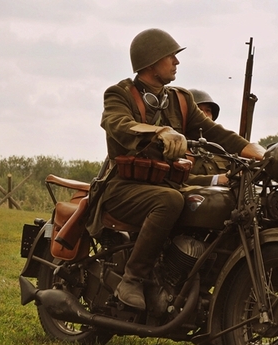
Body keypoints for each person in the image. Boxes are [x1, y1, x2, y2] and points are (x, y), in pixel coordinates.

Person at [88, 28, 265, 310]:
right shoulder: (119, 94)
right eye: (170, 56)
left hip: (167, 184)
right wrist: (159, 131)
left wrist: (255, 151)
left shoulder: (180, 100)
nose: (176, 61)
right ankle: (132, 280)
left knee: (216, 203)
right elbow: (118, 124)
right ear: (151, 62)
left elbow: (214, 131)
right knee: (170, 200)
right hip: (123, 188)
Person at [185, 89, 231, 186]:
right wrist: (216, 179)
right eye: (199, 110)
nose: (204, 114)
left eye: (208, 111)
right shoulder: (178, 143)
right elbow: (174, 181)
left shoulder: (221, 148)